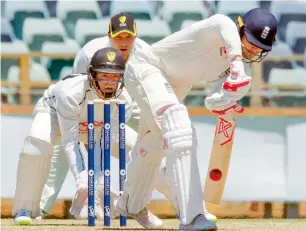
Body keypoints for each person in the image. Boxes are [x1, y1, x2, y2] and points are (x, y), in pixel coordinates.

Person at [38, 12, 218, 226]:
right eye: (118, 37)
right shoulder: (89, 53)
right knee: (66, 147)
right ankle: (39, 207)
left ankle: (190, 209)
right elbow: (77, 90)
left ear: (135, 36)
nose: (123, 43)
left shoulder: (145, 51)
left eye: (128, 37)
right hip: (91, 110)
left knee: (156, 152)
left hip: (132, 107)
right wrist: (88, 134)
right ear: (109, 35)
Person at [115, 8, 277, 230]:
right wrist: (237, 62)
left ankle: (130, 204)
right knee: (179, 126)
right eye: (250, 41)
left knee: (152, 145)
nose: (253, 49)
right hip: (148, 67)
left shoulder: (240, 70)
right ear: (240, 29)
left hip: (176, 86)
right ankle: (192, 217)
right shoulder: (219, 28)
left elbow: (212, 100)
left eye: (260, 47)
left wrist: (226, 100)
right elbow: (223, 22)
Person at [13, 48, 135, 225]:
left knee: (142, 148)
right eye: (104, 75)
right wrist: (82, 179)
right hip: (54, 113)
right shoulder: (70, 92)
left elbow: (104, 144)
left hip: (96, 123)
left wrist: (99, 182)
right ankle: (24, 209)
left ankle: (170, 206)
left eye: (115, 76)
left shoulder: (124, 101)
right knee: (36, 148)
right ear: (92, 74)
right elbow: (70, 141)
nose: (110, 82)